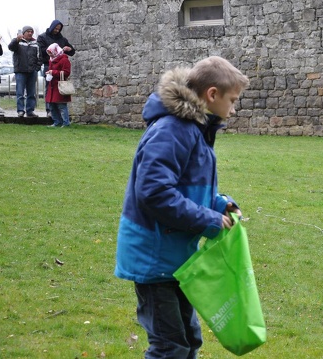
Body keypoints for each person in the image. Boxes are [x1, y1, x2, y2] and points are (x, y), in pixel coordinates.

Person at [115, 56, 249, 358]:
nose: (234, 108)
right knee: (169, 347)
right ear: (212, 95)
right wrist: (207, 220)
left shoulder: (195, 130)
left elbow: (187, 189)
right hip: (154, 257)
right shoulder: (173, 129)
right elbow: (154, 192)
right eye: (232, 99)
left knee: (188, 339)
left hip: (176, 258)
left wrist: (221, 204)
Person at [37, 20, 76, 118]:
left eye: (59, 29)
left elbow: (72, 52)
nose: (57, 31)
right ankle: (49, 111)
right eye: (55, 28)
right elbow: (40, 51)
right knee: (49, 88)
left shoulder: (62, 39)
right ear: (52, 27)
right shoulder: (42, 37)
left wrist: (69, 49)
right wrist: (51, 50)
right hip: (48, 65)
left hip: (60, 66)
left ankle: (59, 113)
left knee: (59, 90)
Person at [8, 26, 42, 118]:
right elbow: (11, 47)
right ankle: (20, 111)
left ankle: (30, 111)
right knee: (20, 92)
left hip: (32, 72)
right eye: (28, 31)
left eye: (31, 32)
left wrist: (36, 69)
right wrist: (16, 40)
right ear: (23, 33)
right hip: (20, 71)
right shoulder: (18, 42)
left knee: (31, 93)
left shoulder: (36, 44)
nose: (30, 33)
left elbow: (39, 58)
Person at [45, 43, 71, 127]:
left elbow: (67, 72)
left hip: (59, 85)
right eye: (49, 53)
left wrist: (53, 72)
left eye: (50, 52)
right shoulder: (51, 60)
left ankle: (65, 123)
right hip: (52, 85)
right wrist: (49, 73)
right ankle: (57, 122)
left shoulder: (64, 60)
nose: (50, 54)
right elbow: (51, 70)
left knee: (61, 105)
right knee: (52, 105)